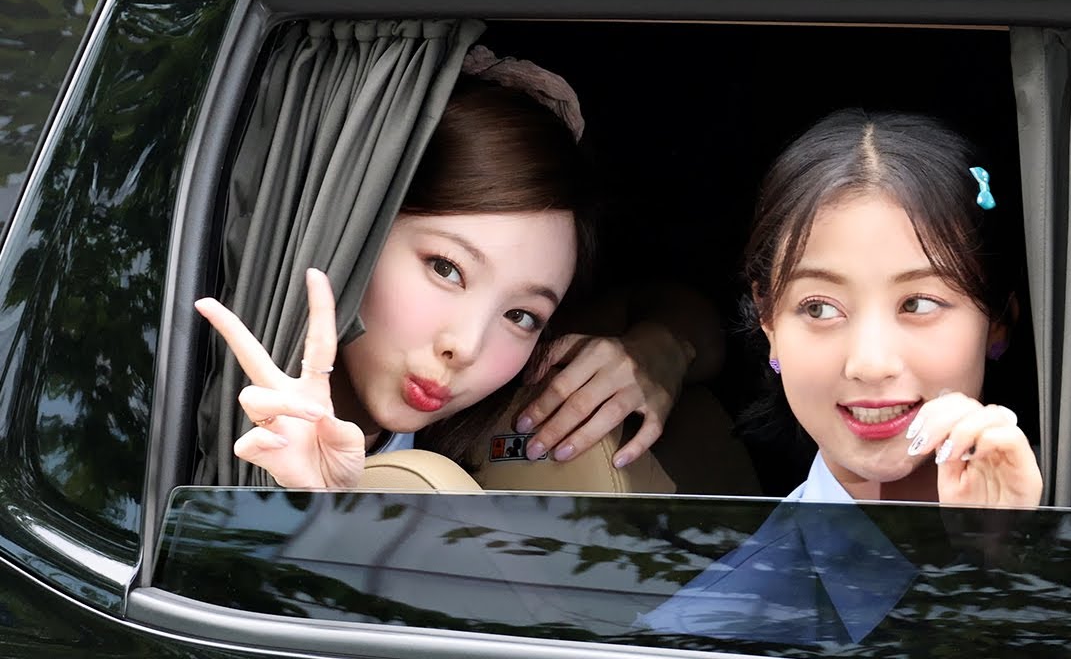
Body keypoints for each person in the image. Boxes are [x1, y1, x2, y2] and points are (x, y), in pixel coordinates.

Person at [195, 48, 717, 488]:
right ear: (356, 232)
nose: (466, 347)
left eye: (522, 316)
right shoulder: (192, 412)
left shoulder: (506, 403)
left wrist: (660, 349)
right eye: (446, 269)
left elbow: (691, 318)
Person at [640, 108, 1041, 647]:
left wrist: (1003, 562)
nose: (869, 363)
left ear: (997, 322)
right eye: (820, 308)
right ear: (769, 322)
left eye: (918, 303)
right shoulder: (709, 635)